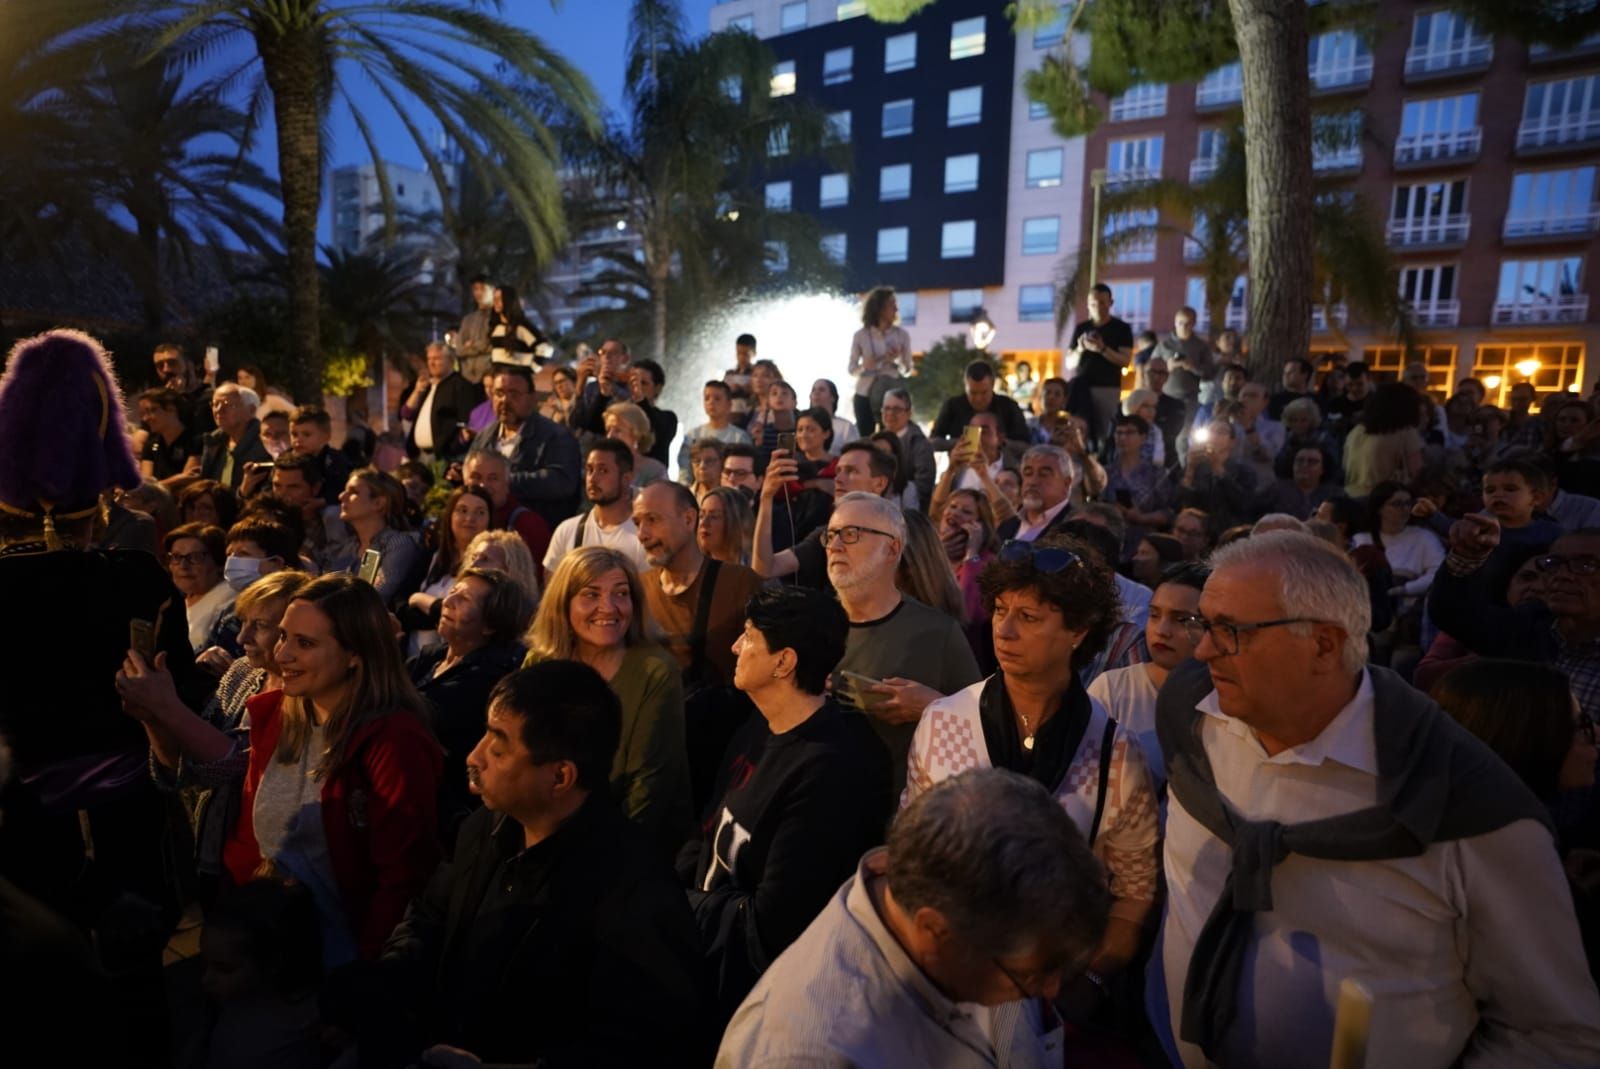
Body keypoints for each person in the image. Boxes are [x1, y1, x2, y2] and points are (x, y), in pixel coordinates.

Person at [1155, 531, 1600, 1067]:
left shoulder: (1468, 807)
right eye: (1205, 624)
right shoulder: (1188, 709)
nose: (1202, 650)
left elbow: (1555, 1034)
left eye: (1230, 632)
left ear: (1323, 643)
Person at [332, 662, 708, 1067]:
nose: (475, 757)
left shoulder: (632, 886)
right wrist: (383, 985)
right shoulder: (483, 828)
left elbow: (642, 1042)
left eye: (498, 748)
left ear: (560, 776)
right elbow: (428, 918)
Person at [905, 534, 1159, 1019]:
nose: (1004, 631)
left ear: (1079, 631)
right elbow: (907, 849)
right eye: (1000, 610)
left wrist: (1090, 979)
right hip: (942, 980)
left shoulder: (1113, 753)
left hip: (1047, 988)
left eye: (1029, 617)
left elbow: (1134, 894)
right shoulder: (945, 721)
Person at [717, 768, 1111, 1068]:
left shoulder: (968, 920)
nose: (1051, 989)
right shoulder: (809, 1052)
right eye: (1029, 977)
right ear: (934, 930)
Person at [681, 586, 892, 1019]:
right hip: (702, 958)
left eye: (749, 636)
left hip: (762, 1002)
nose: (736, 646)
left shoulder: (832, 770)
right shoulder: (756, 727)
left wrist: (683, 906)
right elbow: (706, 833)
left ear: (784, 661)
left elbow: (773, 925)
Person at [221, 575, 442, 963]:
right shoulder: (275, 715)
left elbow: (402, 880)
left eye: (304, 643)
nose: (281, 653)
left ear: (356, 653)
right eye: (284, 635)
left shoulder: (393, 740)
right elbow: (250, 835)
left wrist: (363, 982)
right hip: (267, 954)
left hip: (342, 962)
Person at [120, 570, 312, 901]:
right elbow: (184, 770)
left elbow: (231, 764)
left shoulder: (310, 693)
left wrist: (166, 707)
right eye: (243, 622)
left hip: (278, 870)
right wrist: (151, 717)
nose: (242, 638)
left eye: (261, 626)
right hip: (217, 852)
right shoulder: (243, 671)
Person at [524, 546, 692, 855]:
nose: (609, 607)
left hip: (627, 845)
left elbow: (649, 786)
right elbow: (522, 757)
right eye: (591, 594)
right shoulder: (539, 663)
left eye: (621, 593)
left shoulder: (656, 670)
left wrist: (603, 860)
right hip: (545, 831)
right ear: (563, 603)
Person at [825, 493, 982, 789]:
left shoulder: (938, 634)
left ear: (892, 548)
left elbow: (983, 728)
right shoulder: (810, 622)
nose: (835, 546)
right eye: (831, 535)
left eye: (851, 534)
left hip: (896, 815)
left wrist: (933, 707)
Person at [634, 481, 765, 808]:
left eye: (653, 519)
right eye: (638, 522)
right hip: (654, 758)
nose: (643, 534)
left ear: (689, 519)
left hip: (724, 760)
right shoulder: (635, 589)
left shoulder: (741, 584)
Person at [1429, 515, 1600, 717]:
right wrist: (1468, 554)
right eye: (1554, 563)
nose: (1562, 574)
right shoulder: (1529, 626)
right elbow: (1453, 613)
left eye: (1585, 565)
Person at [408, 568, 531, 844]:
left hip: (443, 814)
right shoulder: (432, 657)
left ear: (489, 625)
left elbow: (413, 712)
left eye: (465, 600)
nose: (449, 601)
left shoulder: (488, 676)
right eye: (452, 591)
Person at [1088, 561, 1208, 795]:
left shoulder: (1225, 699)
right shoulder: (1113, 688)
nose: (1162, 630)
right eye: (1154, 615)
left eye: (1181, 619)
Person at [197, 877, 323, 1069]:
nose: (206, 980)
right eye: (205, 964)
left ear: (274, 963)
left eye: (224, 969)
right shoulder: (234, 1004)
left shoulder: (302, 1028)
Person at [753, 440, 896, 589]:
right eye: (838, 471)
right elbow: (765, 569)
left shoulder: (902, 534)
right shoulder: (827, 537)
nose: (838, 479)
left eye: (852, 471)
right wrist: (766, 497)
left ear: (879, 484)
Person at [469, 364, 581, 531]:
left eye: (514, 394)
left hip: (534, 533)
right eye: (499, 394)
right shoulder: (485, 436)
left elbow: (563, 482)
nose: (505, 400)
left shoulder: (555, 436)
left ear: (532, 398)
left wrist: (507, 481)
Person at [399, 486, 493, 650]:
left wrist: (420, 600)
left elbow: (468, 619)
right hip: (414, 656)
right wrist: (436, 614)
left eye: (480, 512)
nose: (470, 518)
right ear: (450, 515)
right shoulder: (432, 555)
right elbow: (401, 604)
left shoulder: (489, 563)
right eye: (462, 510)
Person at [319, 468, 422, 610]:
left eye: (353, 492)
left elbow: (375, 597)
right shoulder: (349, 547)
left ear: (378, 503)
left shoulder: (398, 544)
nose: (341, 496)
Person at [542, 439, 649, 575]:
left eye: (603, 471)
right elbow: (553, 590)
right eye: (590, 470)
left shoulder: (644, 535)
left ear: (626, 479)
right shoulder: (568, 531)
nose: (592, 479)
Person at [459, 447, 553, 574]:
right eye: (476, 477)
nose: (483, 485)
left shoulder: (528, 525)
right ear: (464, 482)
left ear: (507, 483)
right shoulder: (456, 521)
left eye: (493, 478)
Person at [938, 487, 1000, 669]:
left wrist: (971, 555)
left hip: (964, 658)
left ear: (979, 526)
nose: (955, 513)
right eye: (953, 506)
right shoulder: (933, 550)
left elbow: (968, 614)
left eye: (966, 512)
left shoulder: (986, 562)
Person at [1068, 283, 1135, 447]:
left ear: (1111, 303)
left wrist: (1102, 349)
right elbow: (1069, 363)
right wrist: (1080, 348)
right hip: (1082, 387)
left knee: (1105, 433)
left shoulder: (1121, 328)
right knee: (1079, 432)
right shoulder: (1081, 328)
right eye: (1093, 303)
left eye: (1102, 303)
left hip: (1107, 387)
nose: (1097, 307)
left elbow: (1125, 360)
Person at [1102, 415, 1173, 560]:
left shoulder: (1155, 473)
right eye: (1119, 432)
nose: (1123, 437)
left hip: (1143, 545)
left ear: (1143, 437)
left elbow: (1169, 513)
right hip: (1110, 542)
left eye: (1129, 432)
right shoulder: (1106, 472)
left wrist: (1142, 518)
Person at [849, 286, 914, 435]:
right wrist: (864, 366)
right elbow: (852, 369)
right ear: (879, 308)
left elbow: (908, 369)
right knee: (865, 438)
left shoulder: (902, 335)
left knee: (891, 437)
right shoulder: (861, 335)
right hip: (864, 393)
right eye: (892, 304)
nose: (896, 309)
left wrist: (896, 361)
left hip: (891, 395)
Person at [400, 341, 479, 463]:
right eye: (429, 359)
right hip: (420, 455)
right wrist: (417, 391)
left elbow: (467, 421)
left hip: (444, 457)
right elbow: (406, 414)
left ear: (451, 361)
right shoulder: (427, 387)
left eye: (437, 358)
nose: (431, 363)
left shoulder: (460, 385)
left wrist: (453, 446)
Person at [1342, 381, 1424, 497]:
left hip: (1351, 495)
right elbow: (1415, 471)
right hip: (1384, 501)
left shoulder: (1356, 431)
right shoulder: (1406, 433)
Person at [164, 522, 236, 653]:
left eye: (195, 557)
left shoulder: (229, 598)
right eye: (176, 557)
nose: (183, 566)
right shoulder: (177, 599)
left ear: (219, 562)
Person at [1177, 420, 1257, 533]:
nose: (1214, 436)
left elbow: (1243, 504)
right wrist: (1190, 470)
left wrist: (1219, 469)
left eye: (1221, 432)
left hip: (1229, 531)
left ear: (1232, 442)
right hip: (1195, 533)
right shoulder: (1195, 467)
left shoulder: (1244, 472)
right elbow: (1180, 503)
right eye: (1210, 432)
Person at [931, 361, 1032, 448]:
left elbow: (1026, 445)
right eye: (973, 393)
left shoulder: (1009, 407)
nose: (978, 399)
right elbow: (933, 442)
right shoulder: (952, 406)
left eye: (984, 393)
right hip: (962, 467)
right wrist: (960, 443)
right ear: (965, 386)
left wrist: (1000, 442)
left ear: (992, 386)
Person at [197, 383, 272, 492]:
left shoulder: (267, 442)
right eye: (215, 404)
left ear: (251, 410)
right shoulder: (214, 440)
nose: (219, 410)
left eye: (228, 405)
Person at [996, 444, 1077, 542]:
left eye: (1044, 475)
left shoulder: (1076, 527)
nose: (1032, 481)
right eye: (1028, 474)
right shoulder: (1007, 527)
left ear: (1066, 483)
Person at [678, 381, 753, 481]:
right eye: (707, 398)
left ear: (729, 404)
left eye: (717, 399)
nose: (711, 402)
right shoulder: (692, 435)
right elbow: (684, 470)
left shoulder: (739, 437)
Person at [1152, 307, 1215, 424]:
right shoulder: (1164, 345)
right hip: (1166, 396)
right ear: (1175, 323)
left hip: (1190, 398)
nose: (1184, 327)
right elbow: (1150, 370)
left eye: (1188, 323)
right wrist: (1167, 367)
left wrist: (1192, 367)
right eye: (1180, 323)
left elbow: (1210, 373)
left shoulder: (1201, 346)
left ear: (1194, 324)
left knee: (1187, 434)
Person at [879, 387, 935, 512]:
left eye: (897, 409)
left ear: (909, 413)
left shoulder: (920, 445)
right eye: (887, 408)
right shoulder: (876, 441)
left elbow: (924, 488)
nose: (890, 413)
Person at [137, 388, 202, 486]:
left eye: (152, 410)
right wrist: (177, 479)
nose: (146, 418)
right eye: (143, 413)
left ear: (172, 408)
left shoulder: (196, 441)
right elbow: (147, 487)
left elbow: (188, 483)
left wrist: (158, 486)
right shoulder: (150, 445)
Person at [153, 342, 216, 434]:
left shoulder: (210, 398)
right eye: (160, 365)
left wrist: (180, 397)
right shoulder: (157, 402)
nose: (166, 369)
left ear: (189, 365)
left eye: (172, 363)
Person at [1230, 382, 1284, 487]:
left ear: (1265, 402)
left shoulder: (1275, 427)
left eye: (1253, 396)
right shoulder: (1227, 425)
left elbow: (1268, 454)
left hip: (1260, 485)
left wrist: (1248, 427)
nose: (1247, 399)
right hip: (1229, 483)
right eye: (1244, 395)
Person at [603, 400, 669, 487]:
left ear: (636, 435)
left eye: (617, 430)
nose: (609, 436)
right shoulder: (600, 467)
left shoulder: (654, 470)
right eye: (608, 430)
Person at [486, 285, 544, 367]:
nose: (496, 302)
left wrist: (533, 368)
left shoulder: (521, 327)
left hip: (517, 376)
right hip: (498, 376)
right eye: (494, 299)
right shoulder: (495, 328)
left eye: (499, 298)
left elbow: (544, 347)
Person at [452, 274, 495, 384]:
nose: (479, 293)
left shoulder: (497, 318)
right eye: (475, 289)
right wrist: (476, 347)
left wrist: (471, 346)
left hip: (489, 377)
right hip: (467, 378)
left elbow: (489, 344)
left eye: (483, 289)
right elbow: (459, 349)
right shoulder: (468, 320)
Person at [698, 484, 754, 567]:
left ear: (735, 523)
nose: (704, 523)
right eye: (701, 516)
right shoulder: (691, 567)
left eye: (714, 516)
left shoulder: (755, 569)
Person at [810, 378, 859, 455]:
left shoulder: (846, 426)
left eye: (821, 390)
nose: (816, 393)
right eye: (813, 390)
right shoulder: (802, 424)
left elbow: (854, 455)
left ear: (833, 397)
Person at [1268, 356, 1316, 421]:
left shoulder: (1317, 400)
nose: (1285, 375)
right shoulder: (1274, 401)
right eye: (1284, 372)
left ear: (1305, 374)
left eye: (1291, 372)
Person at [725, 332, 758, 423]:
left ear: (754, 353)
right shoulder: (729, 374)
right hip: (730, 418)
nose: (741, 357)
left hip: (750, 419)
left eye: (745, 354)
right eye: (738, 353)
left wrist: (745, 389)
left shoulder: (756, 374)